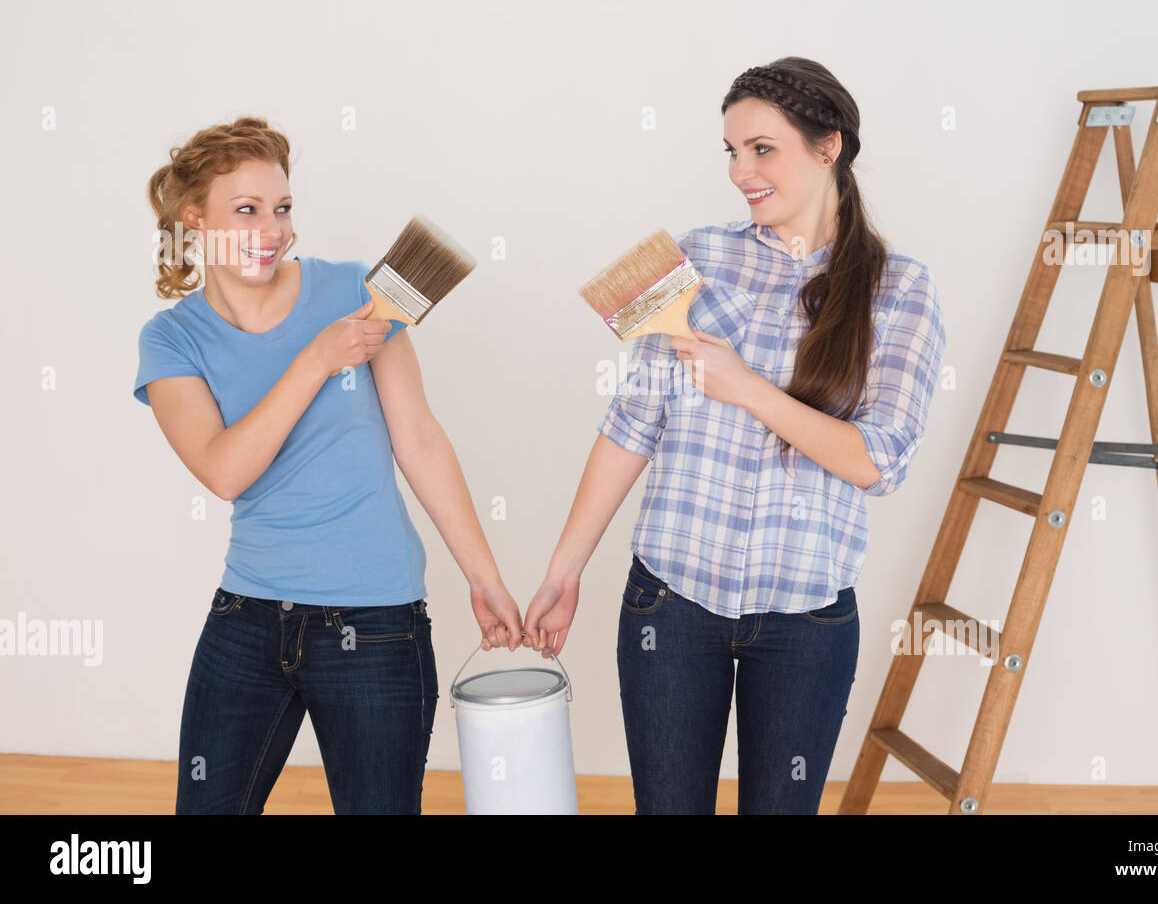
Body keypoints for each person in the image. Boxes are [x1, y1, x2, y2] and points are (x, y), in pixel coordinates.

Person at [522, 57, 948, 814]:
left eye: (762, 149)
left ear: (829, 147)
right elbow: (631, 426)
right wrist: (563, 571)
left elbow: (879, 463)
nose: (740, 171)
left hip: (807, 621)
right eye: (730, 151)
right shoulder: (697, 259)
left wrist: (746, 387)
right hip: (670, 606)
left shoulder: (900, 289)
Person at [134, 117, 523, 814]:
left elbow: (420, 439)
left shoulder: (355, 290)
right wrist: (317, 358)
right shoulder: (171, 340)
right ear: (195, 218)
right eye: (246, 210)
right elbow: (226, 471)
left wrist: (484, 575)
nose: (272, 230)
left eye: (281, 209)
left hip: (376, 623)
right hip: (247, 617)